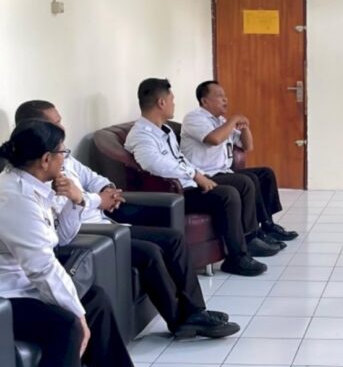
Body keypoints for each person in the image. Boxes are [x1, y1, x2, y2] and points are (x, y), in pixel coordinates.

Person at [14, 100, 240, 339]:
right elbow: (59, 220)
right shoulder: (36, 174)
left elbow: (91, 177)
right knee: (150, 252)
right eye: (55, 123)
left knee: (173, 239)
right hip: (88, 232)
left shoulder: (62, 156)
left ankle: (195, 311)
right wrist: (97, 200)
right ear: (36, 129)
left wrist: (108, 190)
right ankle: (180, 320)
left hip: (105, 222)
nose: (62, 127)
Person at [0, 119, 137, 367]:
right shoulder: (14, 197)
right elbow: (42, 267)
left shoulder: (35, 185)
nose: (65, 158)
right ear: (46, 159)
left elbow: (61, 238)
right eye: (63, 152)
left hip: (24, 283)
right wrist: (79, 316)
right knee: (67, 324)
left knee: (96, 299)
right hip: (8, 293)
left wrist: (77, 200)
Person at [124, 78, 268, 276]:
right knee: (228, 195)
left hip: (187, 184)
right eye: (172, 100)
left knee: (231, 191)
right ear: (161, 103)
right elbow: (154, 164)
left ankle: (244, 247)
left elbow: (180, 159)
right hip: (172, 193)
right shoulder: (141, 134)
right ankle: (236, 258)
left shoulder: (164, 130)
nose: (174, 104)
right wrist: (195, 174)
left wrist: (196, 174)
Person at [180, 80, 299, 246]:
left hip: (222, 172)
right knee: (246, 181)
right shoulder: (194, 118)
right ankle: (250, 236)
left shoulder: (221, 121)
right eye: (219, 96)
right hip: (204, 175)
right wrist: (234, 119)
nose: (225, 99)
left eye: (225, 96)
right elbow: (214, 139)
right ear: (204, 101)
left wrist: (245, 127)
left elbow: (247, 146)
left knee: (265, 174)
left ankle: (267, 225)